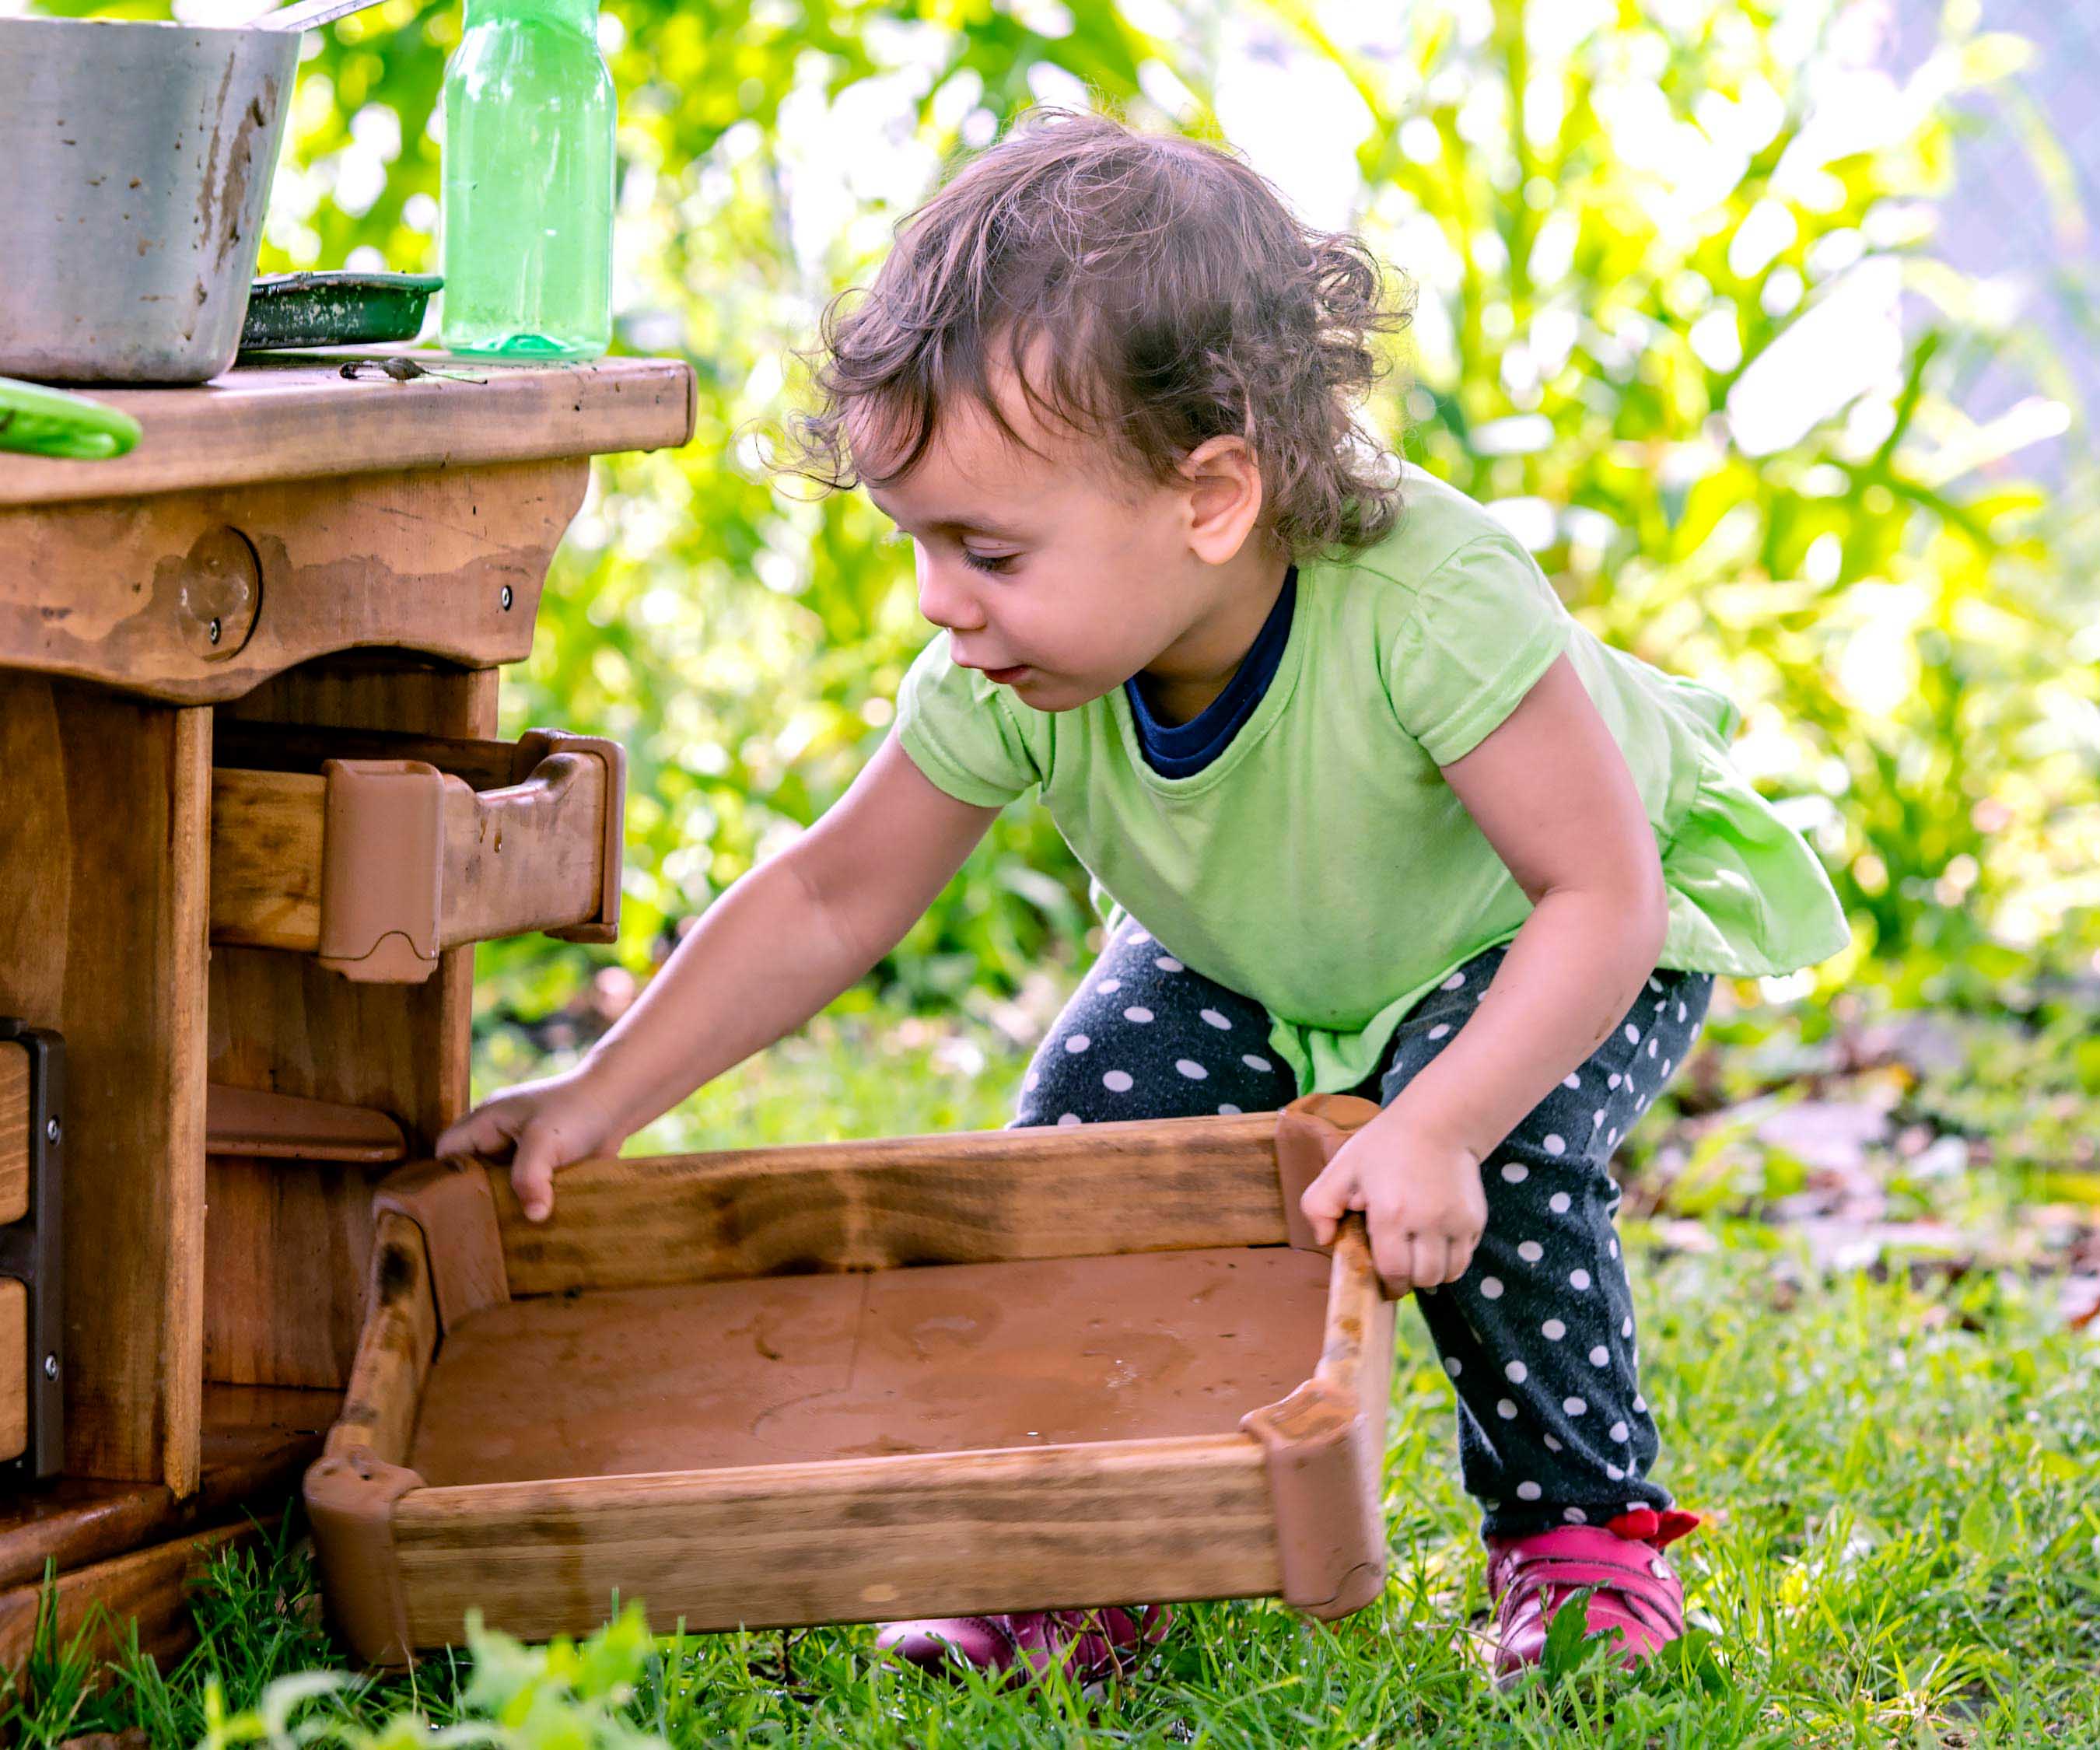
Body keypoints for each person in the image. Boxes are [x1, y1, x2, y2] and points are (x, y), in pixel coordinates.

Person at [434, 105, 1849, 1688]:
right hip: (1260, 949)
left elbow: (1602, 895)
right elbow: (835, 893)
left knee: (1496, 1163)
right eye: (917, 545)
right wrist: (600, 1096)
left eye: (985, 548)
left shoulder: (1428, 603)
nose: (937, 602)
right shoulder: (1004, 667)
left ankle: (1582, 1537)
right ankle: (1088, 1546)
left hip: (1534, 939)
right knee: (1082, 1157)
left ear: (1212, 498)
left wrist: (1436, 1120)